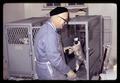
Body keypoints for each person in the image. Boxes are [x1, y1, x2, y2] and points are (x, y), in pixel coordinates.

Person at [34, 7, 77, 80]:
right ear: (58, 18)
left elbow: (47, 49)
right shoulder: (50, 34)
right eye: (65, 20)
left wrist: (62, 49)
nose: (65, 23)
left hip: (45, 68)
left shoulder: (47, 27)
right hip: (49, 71)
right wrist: (68, 71)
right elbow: (55, 59)